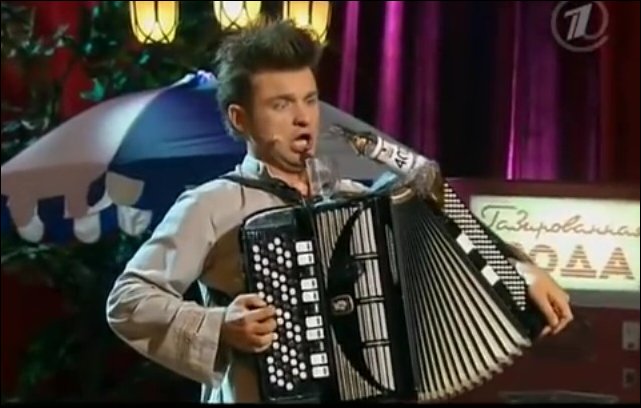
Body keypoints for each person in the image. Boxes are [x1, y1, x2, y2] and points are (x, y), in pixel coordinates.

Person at [105, 19, 573, 404]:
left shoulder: (357, 200)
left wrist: (519, 271)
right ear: (239, 119)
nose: (303, 117)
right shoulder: (210, 204)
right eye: (281, 104)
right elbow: (127, 300)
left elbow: (449, 239)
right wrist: (220, 326)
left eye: (309, 100)